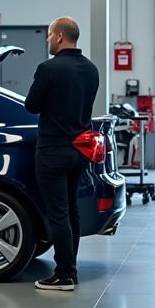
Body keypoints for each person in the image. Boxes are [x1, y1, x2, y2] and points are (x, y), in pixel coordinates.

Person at [25, 16, 99, 292]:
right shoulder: (91, 69)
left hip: (53, 150)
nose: (47, 40)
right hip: (80, 150)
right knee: (72, 211)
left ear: (58, 37)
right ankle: (72, 268)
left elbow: (31, 105)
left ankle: (64, 274)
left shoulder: (48, 69)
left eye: (48, 35)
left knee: (57, 214)